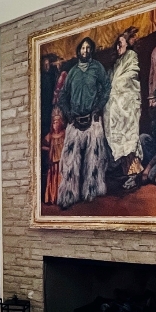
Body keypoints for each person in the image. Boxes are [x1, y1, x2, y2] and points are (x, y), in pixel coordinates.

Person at [56, 36, 111, 209]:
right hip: (75, 119)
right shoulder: (72, 72)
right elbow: (63, 95)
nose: (85, 51)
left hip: (92, 120)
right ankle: (68, 195)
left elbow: (107, 88)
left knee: (94, 159)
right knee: (70, 160)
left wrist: (97, 109)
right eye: (83, 48)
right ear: (78, 50)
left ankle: (92, 192)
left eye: (88, 48)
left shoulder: (97, 68)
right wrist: (68, 113)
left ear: (91, 51)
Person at [104, 29, 143, 184]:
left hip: (127, 105)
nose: (118, 47)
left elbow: (132, 75)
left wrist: (117, 87)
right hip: (115, 107)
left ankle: (134, 174)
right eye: (117, 45)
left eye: (120, 44)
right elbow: (110, 81)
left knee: (129, 137)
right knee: (117, 137)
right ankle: (124, 171)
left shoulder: (131, 57)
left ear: (127, 43)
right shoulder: (117, 63)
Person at [42, 107, 66, 204]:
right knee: (52, 179)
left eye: (57, 122)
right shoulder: (50, 136)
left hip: (62, 162)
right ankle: (52, 197)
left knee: (61, 179)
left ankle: (61, 198)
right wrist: (50, 150)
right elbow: (42, 146)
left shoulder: (65, 134)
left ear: (61, 123)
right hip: (52, 163)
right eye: (54, 123)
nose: (55, 125)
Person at [39, 54, 60, 138]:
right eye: (45, 64)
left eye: (48, 64)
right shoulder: (41, 77)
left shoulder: (51, 75)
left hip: (50, 102)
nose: (47, 66)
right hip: (44, 103)